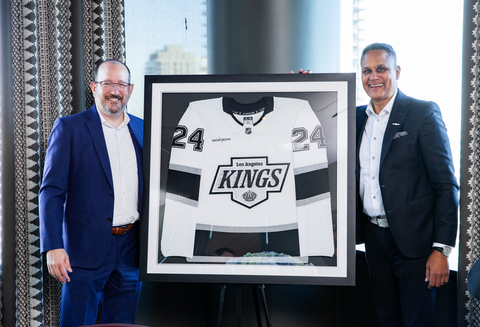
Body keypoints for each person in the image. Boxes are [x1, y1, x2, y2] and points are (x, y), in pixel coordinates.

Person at [356, 43, 458, 326]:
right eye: (367, 71)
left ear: (396, 72)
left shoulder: (422, 113)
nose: (373, 77)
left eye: (381, 69)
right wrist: (306, 82)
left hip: (416, 244)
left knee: (417, 321)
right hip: (373, 241)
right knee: (385, 319)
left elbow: (445, 185)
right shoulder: (355, 118)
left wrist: (441, 250)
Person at [39, 59, 144, 327]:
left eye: (121, 84)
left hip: (132, 249)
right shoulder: (70, 128)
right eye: (107, 83)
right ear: (94, 87)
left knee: (123, 325)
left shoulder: (144, 130)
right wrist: (53, 246)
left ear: (130, 89)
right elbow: (51, 192)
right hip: (83, 251)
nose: (115, 90)